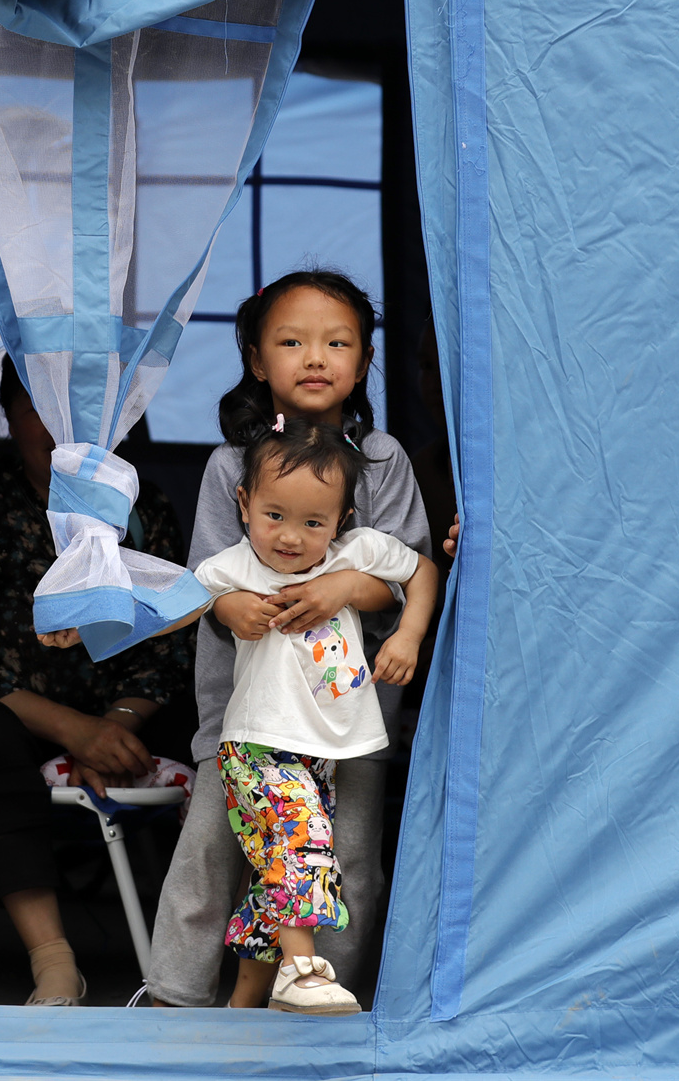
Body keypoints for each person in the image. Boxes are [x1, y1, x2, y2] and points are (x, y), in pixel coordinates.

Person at [148, 268, 436, 1009]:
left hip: (348, 717)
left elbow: (404, 576)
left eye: (337, 343)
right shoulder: (230, 465)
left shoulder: (383, 460)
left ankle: (320, 1005)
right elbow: (205, 583)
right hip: (245, 714)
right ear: (255, 358)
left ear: (363, 362)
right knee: (213, 850)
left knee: (347, 860)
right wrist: (232, 606)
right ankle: (174, 1000)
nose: (315, 357)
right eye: (291, 342)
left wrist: (343, 587)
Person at [0, 355, 194, 1007]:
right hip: (19, 718)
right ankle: (54, 960)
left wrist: (115, 726)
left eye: (83, 412)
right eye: (41, 406)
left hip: (129, 720)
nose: (64, 429)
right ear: (7, 414)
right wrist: (77, 732)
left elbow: (171, 644)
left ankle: (222, 948)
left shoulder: (142, 507)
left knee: (223, 724)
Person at [194, 419, 436, 1013]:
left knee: (276, 869)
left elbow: (423, 571)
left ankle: (245, 1007)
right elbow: (172, 604)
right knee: (303, 845)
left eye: (313, 523)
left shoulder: (356, 553)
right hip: (255, 746)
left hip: (319, 751)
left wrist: (407, 635)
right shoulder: (231, 568)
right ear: (244, 503)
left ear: (342, 519)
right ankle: (301, 972)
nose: (290, 538)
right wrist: (225, 606)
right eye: (274, 515)